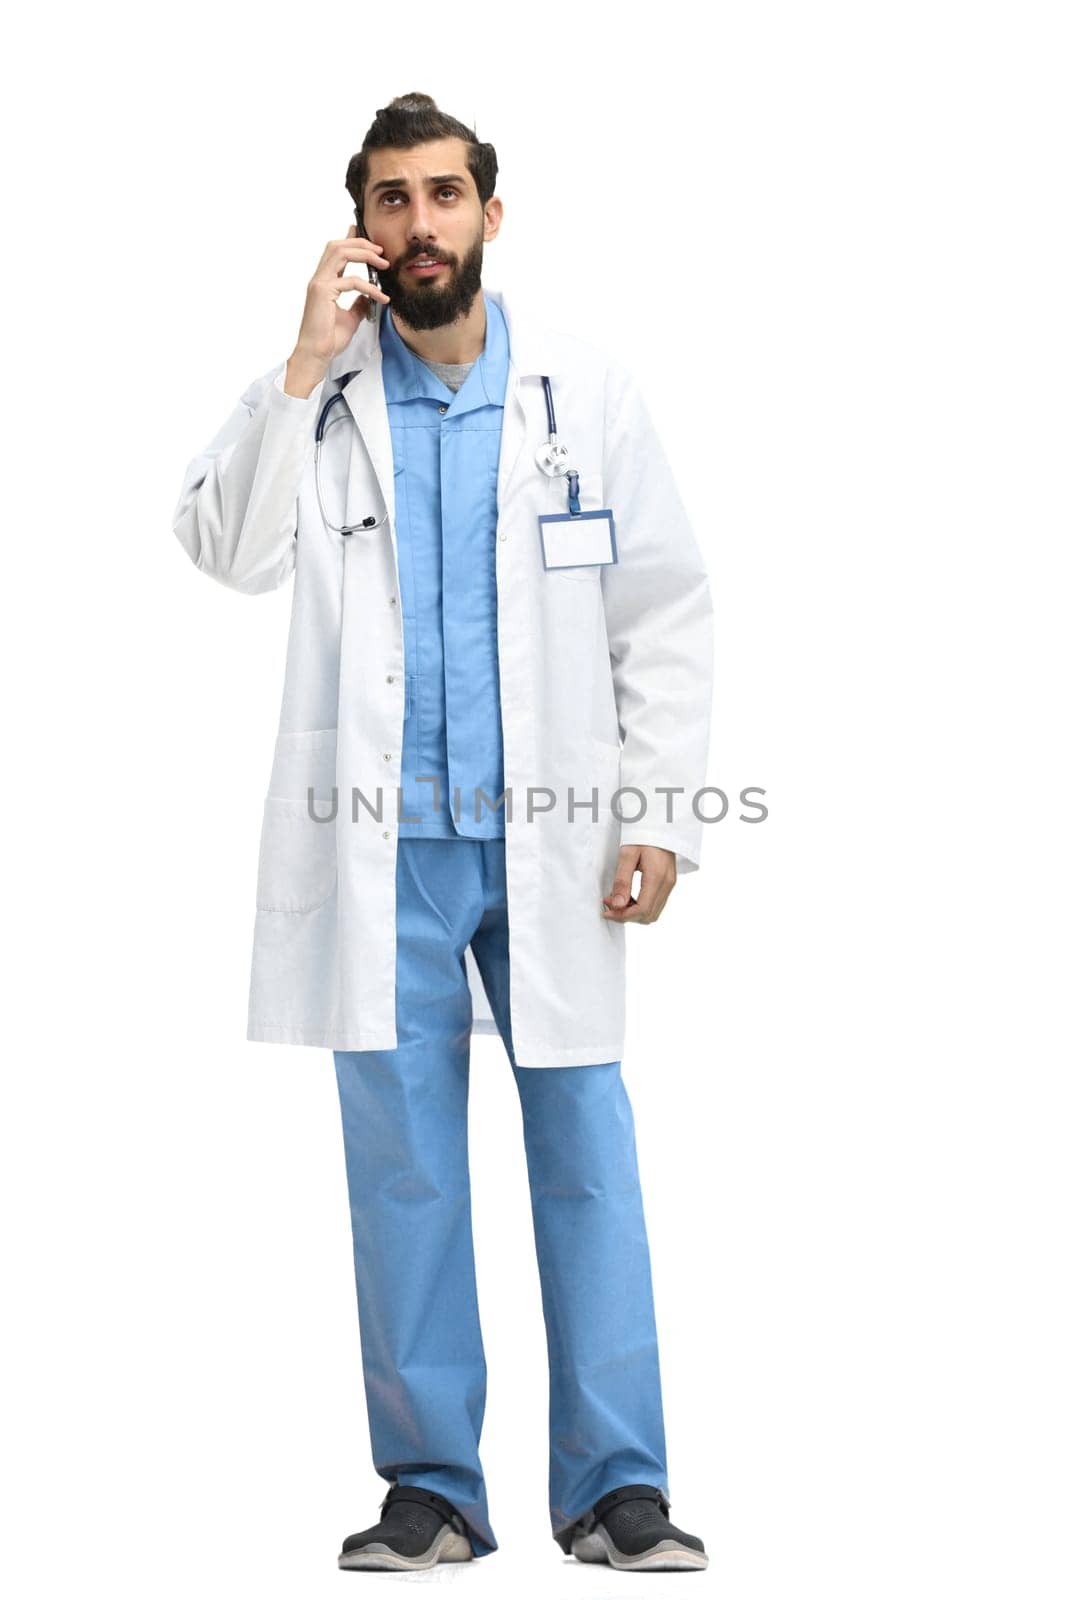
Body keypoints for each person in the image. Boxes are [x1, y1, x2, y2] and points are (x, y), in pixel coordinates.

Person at [172, 92, 714, 1574]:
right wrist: (295, 362)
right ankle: (434, 1484)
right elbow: (224, 551)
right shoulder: (325, 395)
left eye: (446, 196)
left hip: (553, 843)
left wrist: (663, 808)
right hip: (384, 849)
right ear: (361, 225)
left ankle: (616, 1481)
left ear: (491, 213)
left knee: (586, 1156)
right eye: (393, 200)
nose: (422, 225)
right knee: (404, 1167)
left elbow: (660, 603)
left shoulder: (580, 394)